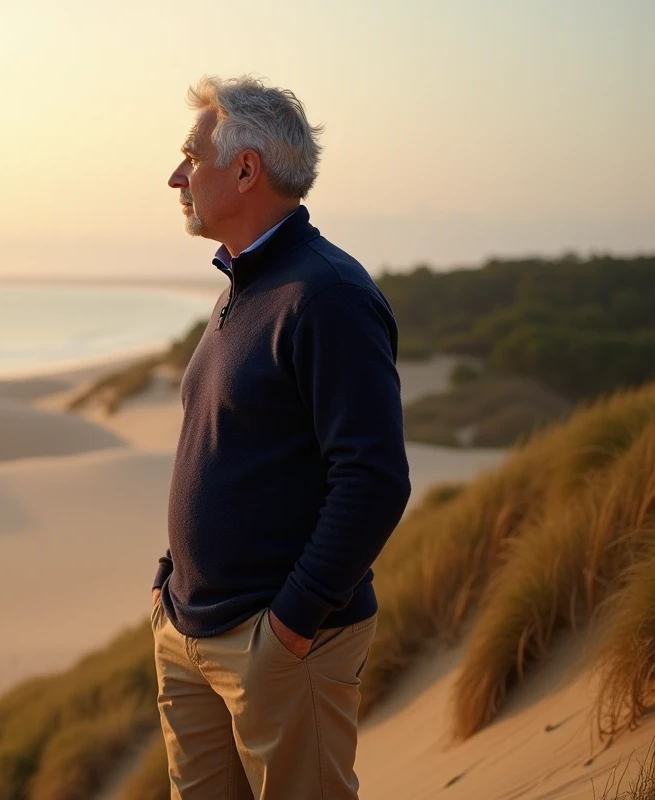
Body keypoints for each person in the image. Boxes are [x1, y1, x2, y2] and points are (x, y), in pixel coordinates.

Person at [151, 75, 412, 799]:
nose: (176, 175)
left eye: (189, 155)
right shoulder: (244, 284)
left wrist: (292, 626)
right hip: (189, 631)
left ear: (245, 169)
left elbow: (374, 480)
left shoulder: (325, 296)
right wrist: (170, 582)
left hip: (276, 643)